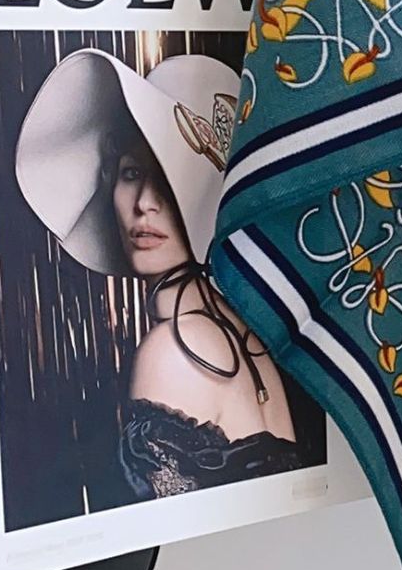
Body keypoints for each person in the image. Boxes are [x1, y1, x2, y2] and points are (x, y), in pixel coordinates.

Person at [15, 46, 308, 498]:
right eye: (131, 173)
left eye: (169, 181)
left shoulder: (172, 350)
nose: (145, 203)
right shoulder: (244, 334)